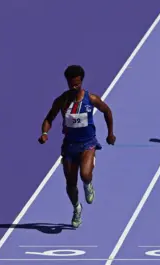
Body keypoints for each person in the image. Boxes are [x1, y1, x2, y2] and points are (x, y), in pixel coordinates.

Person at [38, 65, 116, 228]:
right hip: (69, 146)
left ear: (81, 81)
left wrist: (110, 133)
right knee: (71, 183)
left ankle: (88, 185)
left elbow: (107, 111)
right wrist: (45, 133)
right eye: (71, 84)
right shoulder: (62, 101)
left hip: (88, 143)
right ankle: (76, 208)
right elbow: (49, 119)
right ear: (67, 82)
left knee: (85, 175)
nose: (74, 87)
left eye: (77, 84)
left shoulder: (91, 99)